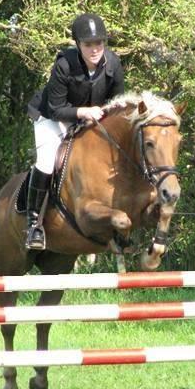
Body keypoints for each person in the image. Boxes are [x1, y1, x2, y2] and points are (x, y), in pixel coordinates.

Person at [25, 13, 125, 250]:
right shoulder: (63, 65)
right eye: (88, 44)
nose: (94, 49)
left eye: (99, 43)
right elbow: (56, 108)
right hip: (51, 117)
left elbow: (117, 103)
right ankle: (33, 225)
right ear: (78, 45)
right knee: (48, 160)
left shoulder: (113, 64)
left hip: (88, 119)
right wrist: (85, 112)